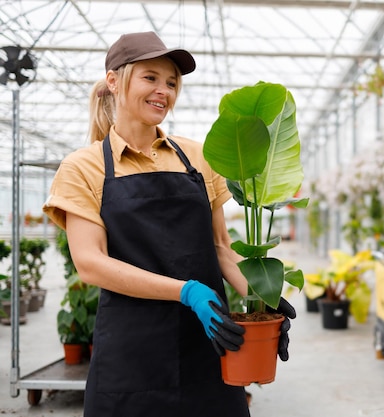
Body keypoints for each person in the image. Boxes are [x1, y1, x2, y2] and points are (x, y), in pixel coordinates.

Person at [42, 31, 295, 417]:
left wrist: (265, 304)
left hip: (210, 342)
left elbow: (221, 249)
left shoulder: (196, 157)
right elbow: (90, 263)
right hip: (131, 354)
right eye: (151, 78)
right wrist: (187, 291)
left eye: (172, 82)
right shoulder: (84, 166)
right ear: (114, 80)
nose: (164, 91)